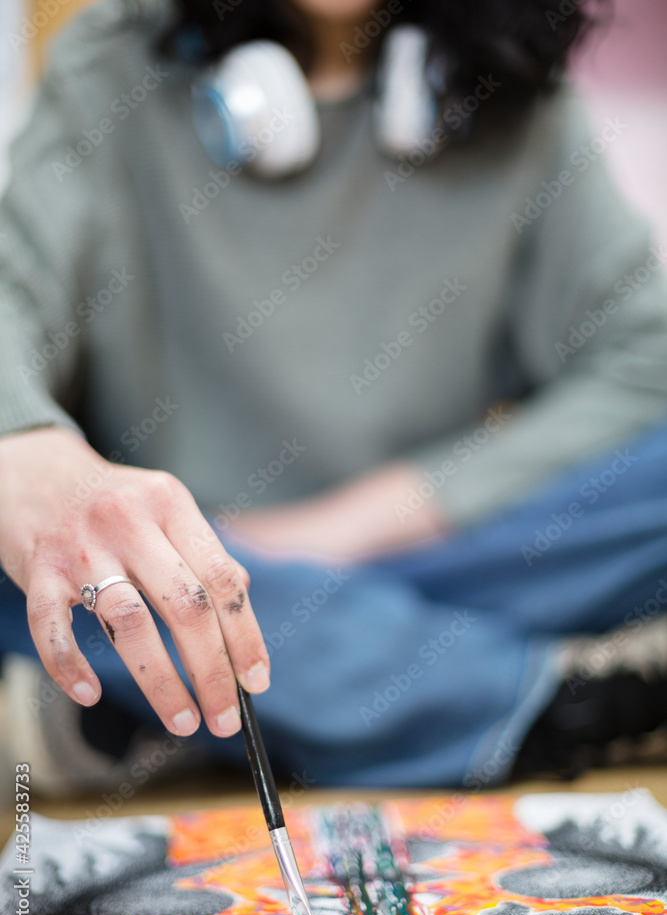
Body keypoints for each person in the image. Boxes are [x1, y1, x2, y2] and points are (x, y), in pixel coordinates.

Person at [0, 0, 666, 793]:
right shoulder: (110, 59)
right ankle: (536, 700)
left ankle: (191, 708)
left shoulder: (516, 86)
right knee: (50, 557)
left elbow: (645, 357)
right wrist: (27, 451)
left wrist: (332, 533)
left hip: (433, 558)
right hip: (166, 570)